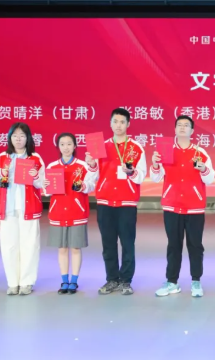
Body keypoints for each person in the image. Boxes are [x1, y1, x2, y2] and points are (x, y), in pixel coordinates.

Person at [151, 115, 215, 298]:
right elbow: (155, 178)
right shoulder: (165, 150)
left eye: (186, 125)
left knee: (195, 245)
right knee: (173, 245)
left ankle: (196, 281)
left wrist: (203, 169)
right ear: (175, 129)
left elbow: (210, 179)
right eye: (179, 125)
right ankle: (172, 282)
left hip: (194, 207)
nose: (182, 127)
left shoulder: (200, 152)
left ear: (192, 131)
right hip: (172, 206)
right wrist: (155, 164)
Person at [85, 108, 146, 296]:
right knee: (108, 244)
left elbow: (141, 176)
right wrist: (92, 164)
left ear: (128, 124)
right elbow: (93, 176)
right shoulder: (100, 146)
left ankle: (126, 281)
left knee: (128, 244)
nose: (118, 125)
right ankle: (112, 279)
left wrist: (132, 172)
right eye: (115, 121)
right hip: (105, 202)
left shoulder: (136, 148)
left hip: (127, 203)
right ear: (110, 124)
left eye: (122, 122)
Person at [0, 122, 45, 295]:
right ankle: (13, 282)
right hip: (7, 208)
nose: (18, 139)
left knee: (30, 245)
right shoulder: (2, 157)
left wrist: (35, 176)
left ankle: (27, 282)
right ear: (9, 138)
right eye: (15, 136)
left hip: (29, 207)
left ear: (28, 138)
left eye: (22, 136)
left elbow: (42, 183)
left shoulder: (35, 158)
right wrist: (1, 173)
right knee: (9, 245)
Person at [44, 133, 98, 295]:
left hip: (76, 211)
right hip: (58, 212)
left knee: (75, 247)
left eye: (69, 144)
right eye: (62, 144)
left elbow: (91, 184)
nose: (66, 147)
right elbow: (46, 190)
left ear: (75, 146)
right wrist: (45, 185)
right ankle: (64, 280)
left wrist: (83, 186)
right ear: (58, 147)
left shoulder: (83, 165)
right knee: (61, 248)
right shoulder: (52, 166)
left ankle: (74, 280)